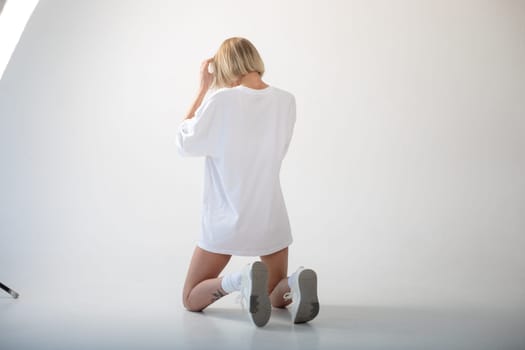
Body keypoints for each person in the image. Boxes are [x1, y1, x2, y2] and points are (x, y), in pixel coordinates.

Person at [176, 37, 319, 327]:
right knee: (275, 296)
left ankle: (239, 279)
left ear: (225, 67)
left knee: (191, 298)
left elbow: (184, 142)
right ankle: (293, 282)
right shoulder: (286, 100)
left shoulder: (221, 99)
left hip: (226, 217)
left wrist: (203, 87)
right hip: (270, 215)